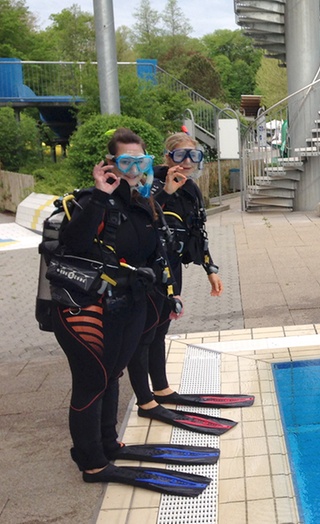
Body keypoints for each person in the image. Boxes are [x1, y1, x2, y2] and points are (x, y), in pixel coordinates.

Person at [50, 128, 207, 493]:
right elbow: (73, 241)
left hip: (127, 306)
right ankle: (91, 462)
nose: (134, 168)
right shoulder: (89, 200)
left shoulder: (142, 202)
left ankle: (108, 445)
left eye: (140, 161)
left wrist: (170, 295)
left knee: (112, 376)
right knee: (91, 383)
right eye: (125, 162)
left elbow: (159, 253)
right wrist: (102, 196)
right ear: (110, 164)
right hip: (85, 311)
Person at [127, 132, 249, 422]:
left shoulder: (192, 189)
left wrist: (210, 270)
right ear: (168, 157)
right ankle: (145, 401)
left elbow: (198, 233)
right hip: (148, 270)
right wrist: (166, 191)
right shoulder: (150, 184)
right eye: (180, 155)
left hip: (173, 268)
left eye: (193, 156)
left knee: (160, 330)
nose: (187, 162)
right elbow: (139, 216)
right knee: (143, 335)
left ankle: (162, 389)